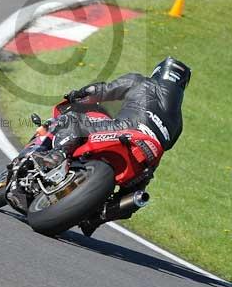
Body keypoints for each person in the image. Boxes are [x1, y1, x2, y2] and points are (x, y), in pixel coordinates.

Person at [29, 56, 191, 235]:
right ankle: (97, 218)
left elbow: (101, 91)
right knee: (132, 197)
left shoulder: (142, 82)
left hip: (124, 131)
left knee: (73, 121)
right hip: (146, 160)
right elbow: (165, 145)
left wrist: (77, 94)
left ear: (158, 72)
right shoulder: (179, 123)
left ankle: (56, 155)